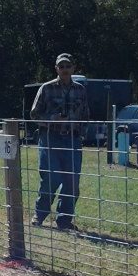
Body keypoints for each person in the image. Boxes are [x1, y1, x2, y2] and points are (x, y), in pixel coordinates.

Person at [30, 52, 90, 230]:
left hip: (72, 140)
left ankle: (64, 221)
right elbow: (34, 114)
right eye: (61, 66)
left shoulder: (80, 90)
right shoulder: (46, 88)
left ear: (73, 68)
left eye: (68, 66)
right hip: (50, 138)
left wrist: (82, 134)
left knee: (72, 182)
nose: (65, 69)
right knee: (51, 178)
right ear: (56, 68)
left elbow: (86, 115)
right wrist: (51, 118)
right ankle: (39, 215)